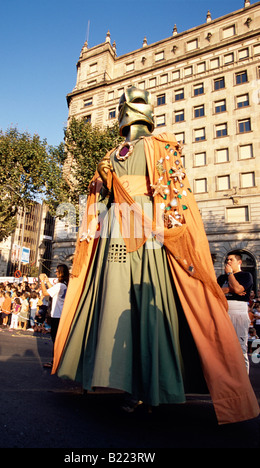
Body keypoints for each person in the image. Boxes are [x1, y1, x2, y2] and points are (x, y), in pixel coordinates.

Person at [51, 87, 259, 425]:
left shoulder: (134, 151)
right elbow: (171, 196)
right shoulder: (147, 148)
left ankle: (124, 380)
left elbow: (114, 198)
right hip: (138, 229)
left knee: (122, 301)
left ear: (123, 113)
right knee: (136, 302)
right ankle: (139, 383)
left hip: (131, 229)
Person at [217, 253, 253, 372]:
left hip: (238, 311)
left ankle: (244, 381)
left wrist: (230, 274)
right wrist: (231, 289)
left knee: (240, 346)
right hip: (223, 310)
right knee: (223, 347)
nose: (228, 262)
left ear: (239, 262)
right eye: (227, 260)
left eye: (231, 260)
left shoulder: (246, 275)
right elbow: (215, 292)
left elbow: (238, 289)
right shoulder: (221, 278)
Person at [39, 264, 69, 369]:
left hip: (57, 315)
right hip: (61, 315)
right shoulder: (64, 284)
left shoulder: (60, 285)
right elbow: (53, 292)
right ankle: (58, 360)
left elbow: (46, 292)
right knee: (58, 339)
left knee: (56, 340)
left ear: (61, 273)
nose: (55, 273)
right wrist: (47, 281)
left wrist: (42, 281)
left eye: (57, 271)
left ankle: (55, 361)